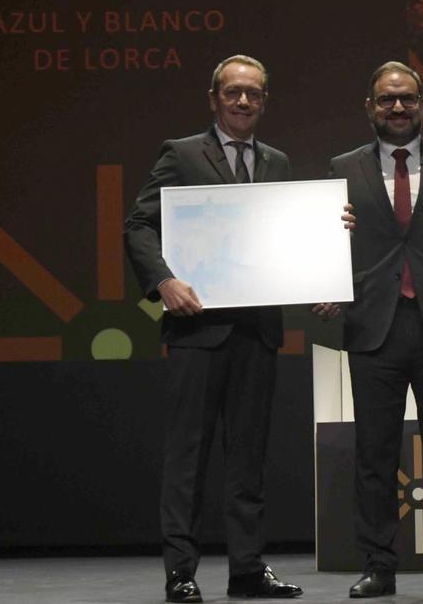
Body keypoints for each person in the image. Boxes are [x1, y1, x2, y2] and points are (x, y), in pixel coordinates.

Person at [124, 55, 303, 602]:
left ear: (264, 101)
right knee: (188, 456)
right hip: (196, 330)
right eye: (233, 92)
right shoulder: (180, 155)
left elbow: (283, 240)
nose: (244, 101)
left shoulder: (277, 161)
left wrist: (325, 234)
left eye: (253, 93)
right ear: (214, 98)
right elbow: (138, 225)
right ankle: (181, 571)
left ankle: (247, 569)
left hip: (256, 332)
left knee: (248, 457)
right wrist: (164, 283)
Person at [321, 61, 423, 598]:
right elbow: (322, 242)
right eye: (387, 100)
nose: (398, 108)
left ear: (422, 106)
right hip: (373, 329)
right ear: (370, 107)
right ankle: (378, 567)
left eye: (408, 99)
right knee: (375, 455)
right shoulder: (342, 167)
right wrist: (321, 278)